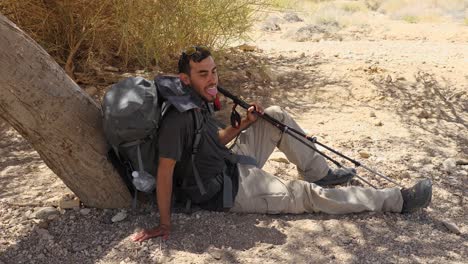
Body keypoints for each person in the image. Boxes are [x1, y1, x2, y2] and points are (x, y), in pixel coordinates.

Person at [132, 46, 432, 242]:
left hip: (227, 163)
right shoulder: (177, 119)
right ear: (184, 79)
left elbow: (211, 143)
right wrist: (164, 224)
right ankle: (398, 200)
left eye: (214, 71)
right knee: (306, 196)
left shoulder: (197, 100)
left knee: (274, 115)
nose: (212, 79)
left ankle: (318, 171)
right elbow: (165, 172)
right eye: (203, 74)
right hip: (226, 191)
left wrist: (247, 124)